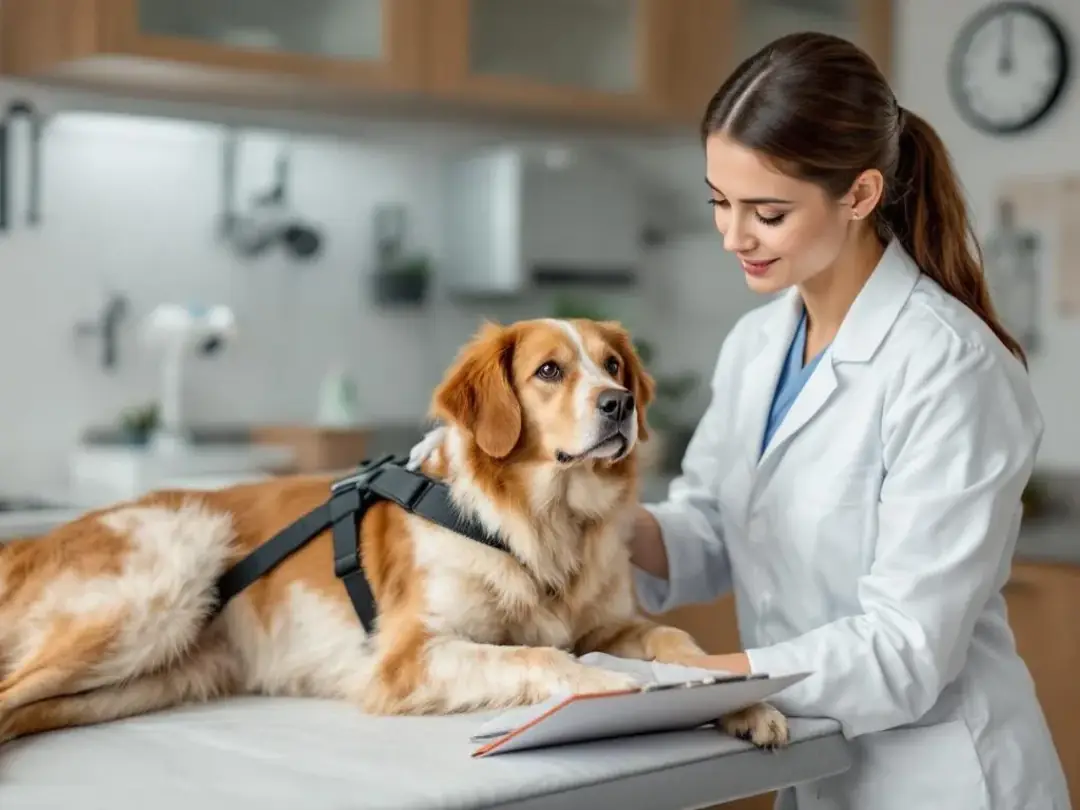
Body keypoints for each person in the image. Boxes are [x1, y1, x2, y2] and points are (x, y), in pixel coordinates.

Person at [631, 32, 1070, 810]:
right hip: (812, 769)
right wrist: (574, 522)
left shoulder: (949, 365)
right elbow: (710, 525)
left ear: (861, 195)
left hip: (940, 782)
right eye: (719, 202)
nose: (734, 236)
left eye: (767, 211)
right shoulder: (758, 343)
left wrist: (679, 686)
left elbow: (905, 648)